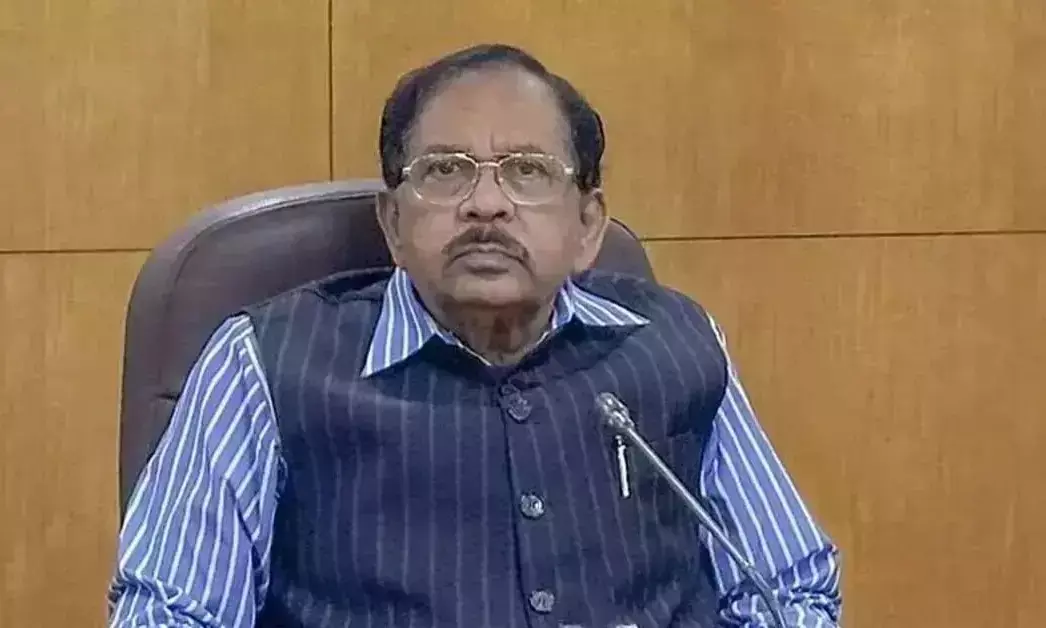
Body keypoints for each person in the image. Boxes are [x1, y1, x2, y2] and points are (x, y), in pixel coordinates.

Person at [108, 44, 841, 628]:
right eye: (445, 171)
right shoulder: (263, 364)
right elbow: (171, 614)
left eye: (528, 171)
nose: (486, 203)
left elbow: (792, 592)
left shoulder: (676, 344)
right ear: (393, 223)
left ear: (588, 225)